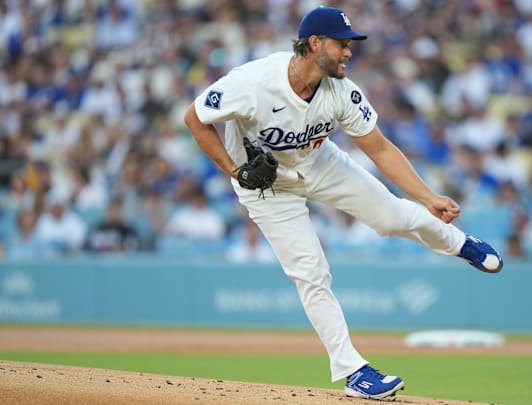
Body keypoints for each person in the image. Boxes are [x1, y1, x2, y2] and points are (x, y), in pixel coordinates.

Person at [183, 6, 503, 400]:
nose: (349, 52)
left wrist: (428, 196)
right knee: (310, 272)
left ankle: (459, 243)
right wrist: (234, 171)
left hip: (319, 162)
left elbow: (381, 149)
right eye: (342, 44)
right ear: (314, 43)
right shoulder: (253, 81)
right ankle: (354, 373)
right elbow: (195, 118)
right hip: (266, 187)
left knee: (390, 216)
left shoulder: (342, 91)